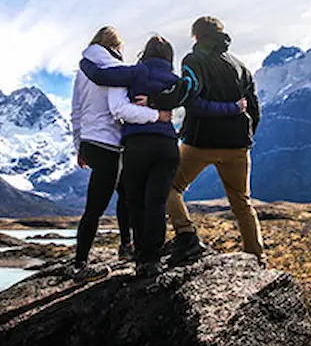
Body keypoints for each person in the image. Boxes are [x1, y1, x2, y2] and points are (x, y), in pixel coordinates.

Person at [81, 35, 244, 278]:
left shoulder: (135, 73)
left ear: (145, 53)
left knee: (136, 202)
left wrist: (85, 61)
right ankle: (154, 260)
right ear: (169, 56)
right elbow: (195, 97)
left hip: (138, 145)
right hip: (168, 147)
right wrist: (233, 107)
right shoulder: (176, 81)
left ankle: (142, 259)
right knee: (157, 203)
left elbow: (100, 76)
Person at [149, 16, 265, 266]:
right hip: (238, 147)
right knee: (242, 203)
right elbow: (254, 109)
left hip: (200, 143)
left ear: (196, 36)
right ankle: (256, 257)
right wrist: (246, 137)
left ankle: (187, 234)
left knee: (169, 187)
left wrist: (155, 102)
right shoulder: (241, 66)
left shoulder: (194, 60)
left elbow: (190, 96)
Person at [70, 27, 171, 282]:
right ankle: (83, 265)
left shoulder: (82, 71)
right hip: (109, 144)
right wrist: (156, 115)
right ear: (115, 47)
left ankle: (122, 247)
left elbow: (76, 111)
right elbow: (119, 110)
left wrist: (79, 146)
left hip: (90, 143)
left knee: (122, 195)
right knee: (105, 204)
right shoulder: (115, 70)